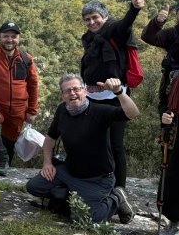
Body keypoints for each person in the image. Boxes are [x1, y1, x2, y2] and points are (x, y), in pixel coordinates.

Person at [26, 74, 139, 223]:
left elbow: (133, 113)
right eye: (67, 91)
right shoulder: (62, 110)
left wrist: (119, 92)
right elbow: (50, 138)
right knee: (34, 187)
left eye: (76, 89)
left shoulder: (100, 111)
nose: (72, 93)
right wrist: (47, 163)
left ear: (84, 91)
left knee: (89, 218)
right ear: (62, 96)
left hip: (97, 178)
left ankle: (116, 197)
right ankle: (71, 195)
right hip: (69, 171)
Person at [79, 0, 144, 191]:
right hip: (93, 97)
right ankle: (100, 182)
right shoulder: (88, 37)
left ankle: (120, 188)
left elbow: (126, 24)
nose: (91, 22)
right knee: (96, 142)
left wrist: (134, 9)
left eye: (95, 18)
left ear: (104, 17)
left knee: (115, 144)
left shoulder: (115, 29)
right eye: (87, 19)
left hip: (116, 96)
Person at [0, 21, 39, 175]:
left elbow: (33, 85)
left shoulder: (26, 59)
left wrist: (32, 110)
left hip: (18, 110)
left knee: (10, 142)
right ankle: (0, 160)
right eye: (6, 36)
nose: (10, 40)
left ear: (19, 38)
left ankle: (4, 168)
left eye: (13, 36)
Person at [141, 3, 179, 114]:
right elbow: (148, 37)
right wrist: (158, 22)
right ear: (177, 15)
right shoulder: (172, 33)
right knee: (168, 122)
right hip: (172, 89)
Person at [158, 111, 179, 235]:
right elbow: (164, 101)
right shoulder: (172, 89)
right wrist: (164, 114)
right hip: (174, 130)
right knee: (173, 173)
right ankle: (174, 221)